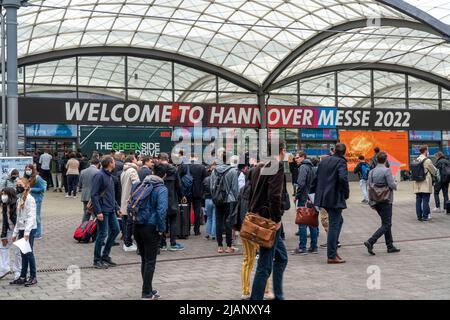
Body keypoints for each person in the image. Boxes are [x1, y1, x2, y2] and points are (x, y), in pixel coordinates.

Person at [248, 141, 288, 300]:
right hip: (269, 221)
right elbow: (274, 195)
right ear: (282, 151)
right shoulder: (276, 166)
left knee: (282, 257)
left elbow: (252, 192)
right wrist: (277, 219)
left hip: (259, 217)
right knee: (264, 265)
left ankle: (279, 295)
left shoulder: (260, 166)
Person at [134, 164, 168, 300]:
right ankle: (146, 293)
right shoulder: (161, 189)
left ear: (152, 172)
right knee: (150, 261)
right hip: (151, 227)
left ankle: (148, 289)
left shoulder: (142, 184)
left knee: (144, 259)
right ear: (164, 175)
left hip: (137, 225)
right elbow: (161, 210)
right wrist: (161, 229)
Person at [240, 162, 272, 300]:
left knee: (248, 259)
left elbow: (237, 209)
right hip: (258, 228)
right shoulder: (262, 191)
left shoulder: (243, 189)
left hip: (245, 227)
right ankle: (265, 289)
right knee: (263, 259)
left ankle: (245, 291)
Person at [314, 143, 349, 264]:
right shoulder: (341, 162)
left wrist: (314, 194)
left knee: (339, 221)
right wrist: (346, 193)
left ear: (334, 150)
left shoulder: (324, 161)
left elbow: (316, 177)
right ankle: (331, 255)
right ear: (344, 152)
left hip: (324, 197)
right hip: (334, 197)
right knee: (334, 224)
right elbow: (343, 178)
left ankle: (333, 250)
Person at [364, 151, 401, 255]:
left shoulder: (372, 171)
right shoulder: (387, 170)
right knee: (387, 223)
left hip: (376, 201)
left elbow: (369, 186)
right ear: (386, 160)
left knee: (385, 223)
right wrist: (396, 183)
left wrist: (371, 202)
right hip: (386, 200)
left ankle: (390, 246)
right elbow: (392, 185)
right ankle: (371, 241)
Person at [91, 155, 121, 269]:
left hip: (111, 209)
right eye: (113, 161)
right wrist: (98, 212)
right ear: (110, 163)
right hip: (103, 210)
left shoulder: (109, 176)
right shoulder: (99, 175)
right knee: (102, 234)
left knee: (116, 230)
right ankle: (97, 260)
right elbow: (94, 194)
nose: (115, 163)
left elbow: (110, 194)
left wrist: (117, 207)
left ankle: (105, 256)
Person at [210, 151, 239, 253]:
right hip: (229, 200)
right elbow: (235, 188)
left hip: (218, 199)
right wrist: (235, 199)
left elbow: (212, 186)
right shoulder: (233, 171)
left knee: (218, 221)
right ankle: (229, 246)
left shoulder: (214, 171)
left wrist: (215, 197)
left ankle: (219, 246)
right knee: (228, 222)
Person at [10, 178, 38, 286]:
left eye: (20, 184)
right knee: (23, 253)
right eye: (17, 185)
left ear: (26, 186)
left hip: (29, 229)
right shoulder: (20, 199)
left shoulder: (30, 199)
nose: (17, 186)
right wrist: (15, 233)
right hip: (22, 228)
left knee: (28, 252)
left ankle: (33, 276)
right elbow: (19, 218)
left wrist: (27, 233)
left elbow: (31, 217)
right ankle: (22, 276)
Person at [293, 151, 318, 255]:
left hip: (303, 197)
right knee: (312, 222)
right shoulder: (312, 167)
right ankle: (314, 247)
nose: (296, 159)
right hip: (312, 197)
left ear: (303, 157)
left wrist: (297, 196)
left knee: (302, 222)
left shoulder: (303, 167)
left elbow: (301, 183)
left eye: (297, 157)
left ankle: (302, 247)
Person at [159, 153, 185, 251]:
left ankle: (162, 243)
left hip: (161, 199)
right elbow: (179, 185)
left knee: (162, 221)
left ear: (160, 159)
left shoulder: (158, 169)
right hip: (172, 199)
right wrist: (182, 196)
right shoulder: (174, 170)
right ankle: (173, 243)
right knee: (173, 221)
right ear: (168, 159)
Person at [179, 155, 207, 236]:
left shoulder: (184, 166)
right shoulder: (202, 167)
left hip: (186, 192)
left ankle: (186, 230)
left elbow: (179, 179)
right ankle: (197, 230)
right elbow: (205, 181)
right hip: (198, 192)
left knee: (186, 211)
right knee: (197, 211)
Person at [0, 188, 21, 280]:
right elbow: (5, 221)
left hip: (19, 231)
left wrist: (16, 234)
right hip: (9, 230)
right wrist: (3, 235)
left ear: (10, 195)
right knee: (2, 247)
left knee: (19, 251)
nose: (3, 196)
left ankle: (18, 271)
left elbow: (20, 221)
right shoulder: (5, 205)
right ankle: (4, 268)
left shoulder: (17, 204)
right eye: (2, 194)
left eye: (4, 194)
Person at [120, 155, 140, 252]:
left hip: (124, 200)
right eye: (136, 159)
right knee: (129, 223)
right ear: (132, 160)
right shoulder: (132, 171)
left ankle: (126, 242)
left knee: (125, 222)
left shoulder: (124, 171)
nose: (137, 160)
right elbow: (137, 184)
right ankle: (128, 243)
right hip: (130, 201)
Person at [413, 145, 437, 222]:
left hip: (417, 182)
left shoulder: (416, 159)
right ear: (425, 151)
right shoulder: (427, 160)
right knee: (425, 200)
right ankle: (425, 216)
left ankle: (419, 216)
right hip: (425, 182)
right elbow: (434, 171)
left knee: (418, 200)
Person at [24, 164, 45, 240]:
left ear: (33, 170)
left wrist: (31, 189)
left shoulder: (37, 178)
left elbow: (42, 189)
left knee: (36, 216)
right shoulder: (26, 178)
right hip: (28, 200)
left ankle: (38, 233)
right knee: (29, 216)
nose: (27, 171)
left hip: (37, 200)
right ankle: (31, 232)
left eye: (29, 169)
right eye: (26, 169)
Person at [78, 158, 100, 223]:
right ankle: (95, 229)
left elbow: (80, 184)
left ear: (90, 163)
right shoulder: (98, 172)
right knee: (95, 214)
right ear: (98, 164)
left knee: (86, 213)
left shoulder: (83, 171)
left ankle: (83, 228)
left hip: (84, 195)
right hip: (94, 196)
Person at [202, 165, 216, 241]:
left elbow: (203, 190)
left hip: (207, 199)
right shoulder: (218, 179)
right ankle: (214, 235)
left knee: (209, 218)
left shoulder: (206, 179)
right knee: (214, 218)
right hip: (215, 200)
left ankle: (207, 234)